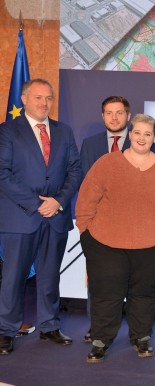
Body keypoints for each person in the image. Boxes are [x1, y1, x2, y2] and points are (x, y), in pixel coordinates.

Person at [76, 114, 155, 363]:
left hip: (153, 245)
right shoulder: (107, 163)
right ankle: (100, 340)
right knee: (106, 293)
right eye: (137, 132)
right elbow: (86, 200)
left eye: (148, 134)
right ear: (130, 133)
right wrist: (86, 233)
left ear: (154, 137)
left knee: (144, 294)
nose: (142, 138)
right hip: (106, 244)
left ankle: (142, 337)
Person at [0, 78, 82, 355]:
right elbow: (3, 174)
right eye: (38, 98)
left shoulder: (64, 131)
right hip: (20, 217)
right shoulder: (7, 131)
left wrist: (58, 201)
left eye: (48, 98)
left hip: (55, 217)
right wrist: (37, 204)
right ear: (24, 99)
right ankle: (7, 330)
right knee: (13, 277)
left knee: (49, 277)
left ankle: (49, 326)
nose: (44, 103)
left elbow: (75, 170)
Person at [79, 95, 134, 343]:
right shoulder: (89, 145)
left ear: (128, 116)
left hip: (132, 224)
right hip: (99, 225)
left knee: (132, 278)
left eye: (119, 112)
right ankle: (96, 328)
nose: (114, 117)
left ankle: (137, 330)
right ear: (103, 117)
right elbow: (85, 185)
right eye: (109, 113)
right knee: (98, 278)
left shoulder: (142, 141)